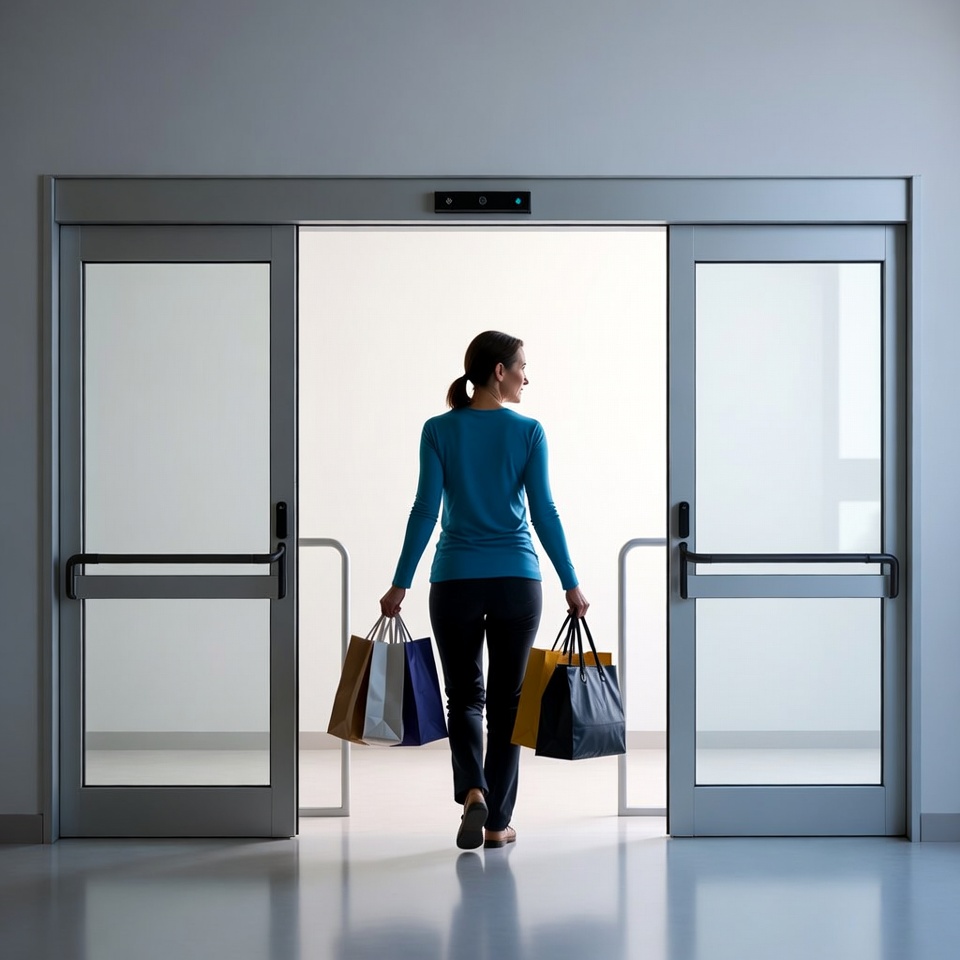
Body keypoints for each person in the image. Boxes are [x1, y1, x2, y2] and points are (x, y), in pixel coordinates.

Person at [379, 330, 589, 850]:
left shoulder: (438, 430)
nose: (526, 378)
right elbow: (543, 512)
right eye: (522, 367)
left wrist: (400, 583)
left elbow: (425, 511)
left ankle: (472, 789)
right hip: (517, 581)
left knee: (464, 697)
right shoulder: (529, 432)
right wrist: (570, 582)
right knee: (507, 704)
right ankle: (497, 824)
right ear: (499, 371)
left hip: (454, 580)